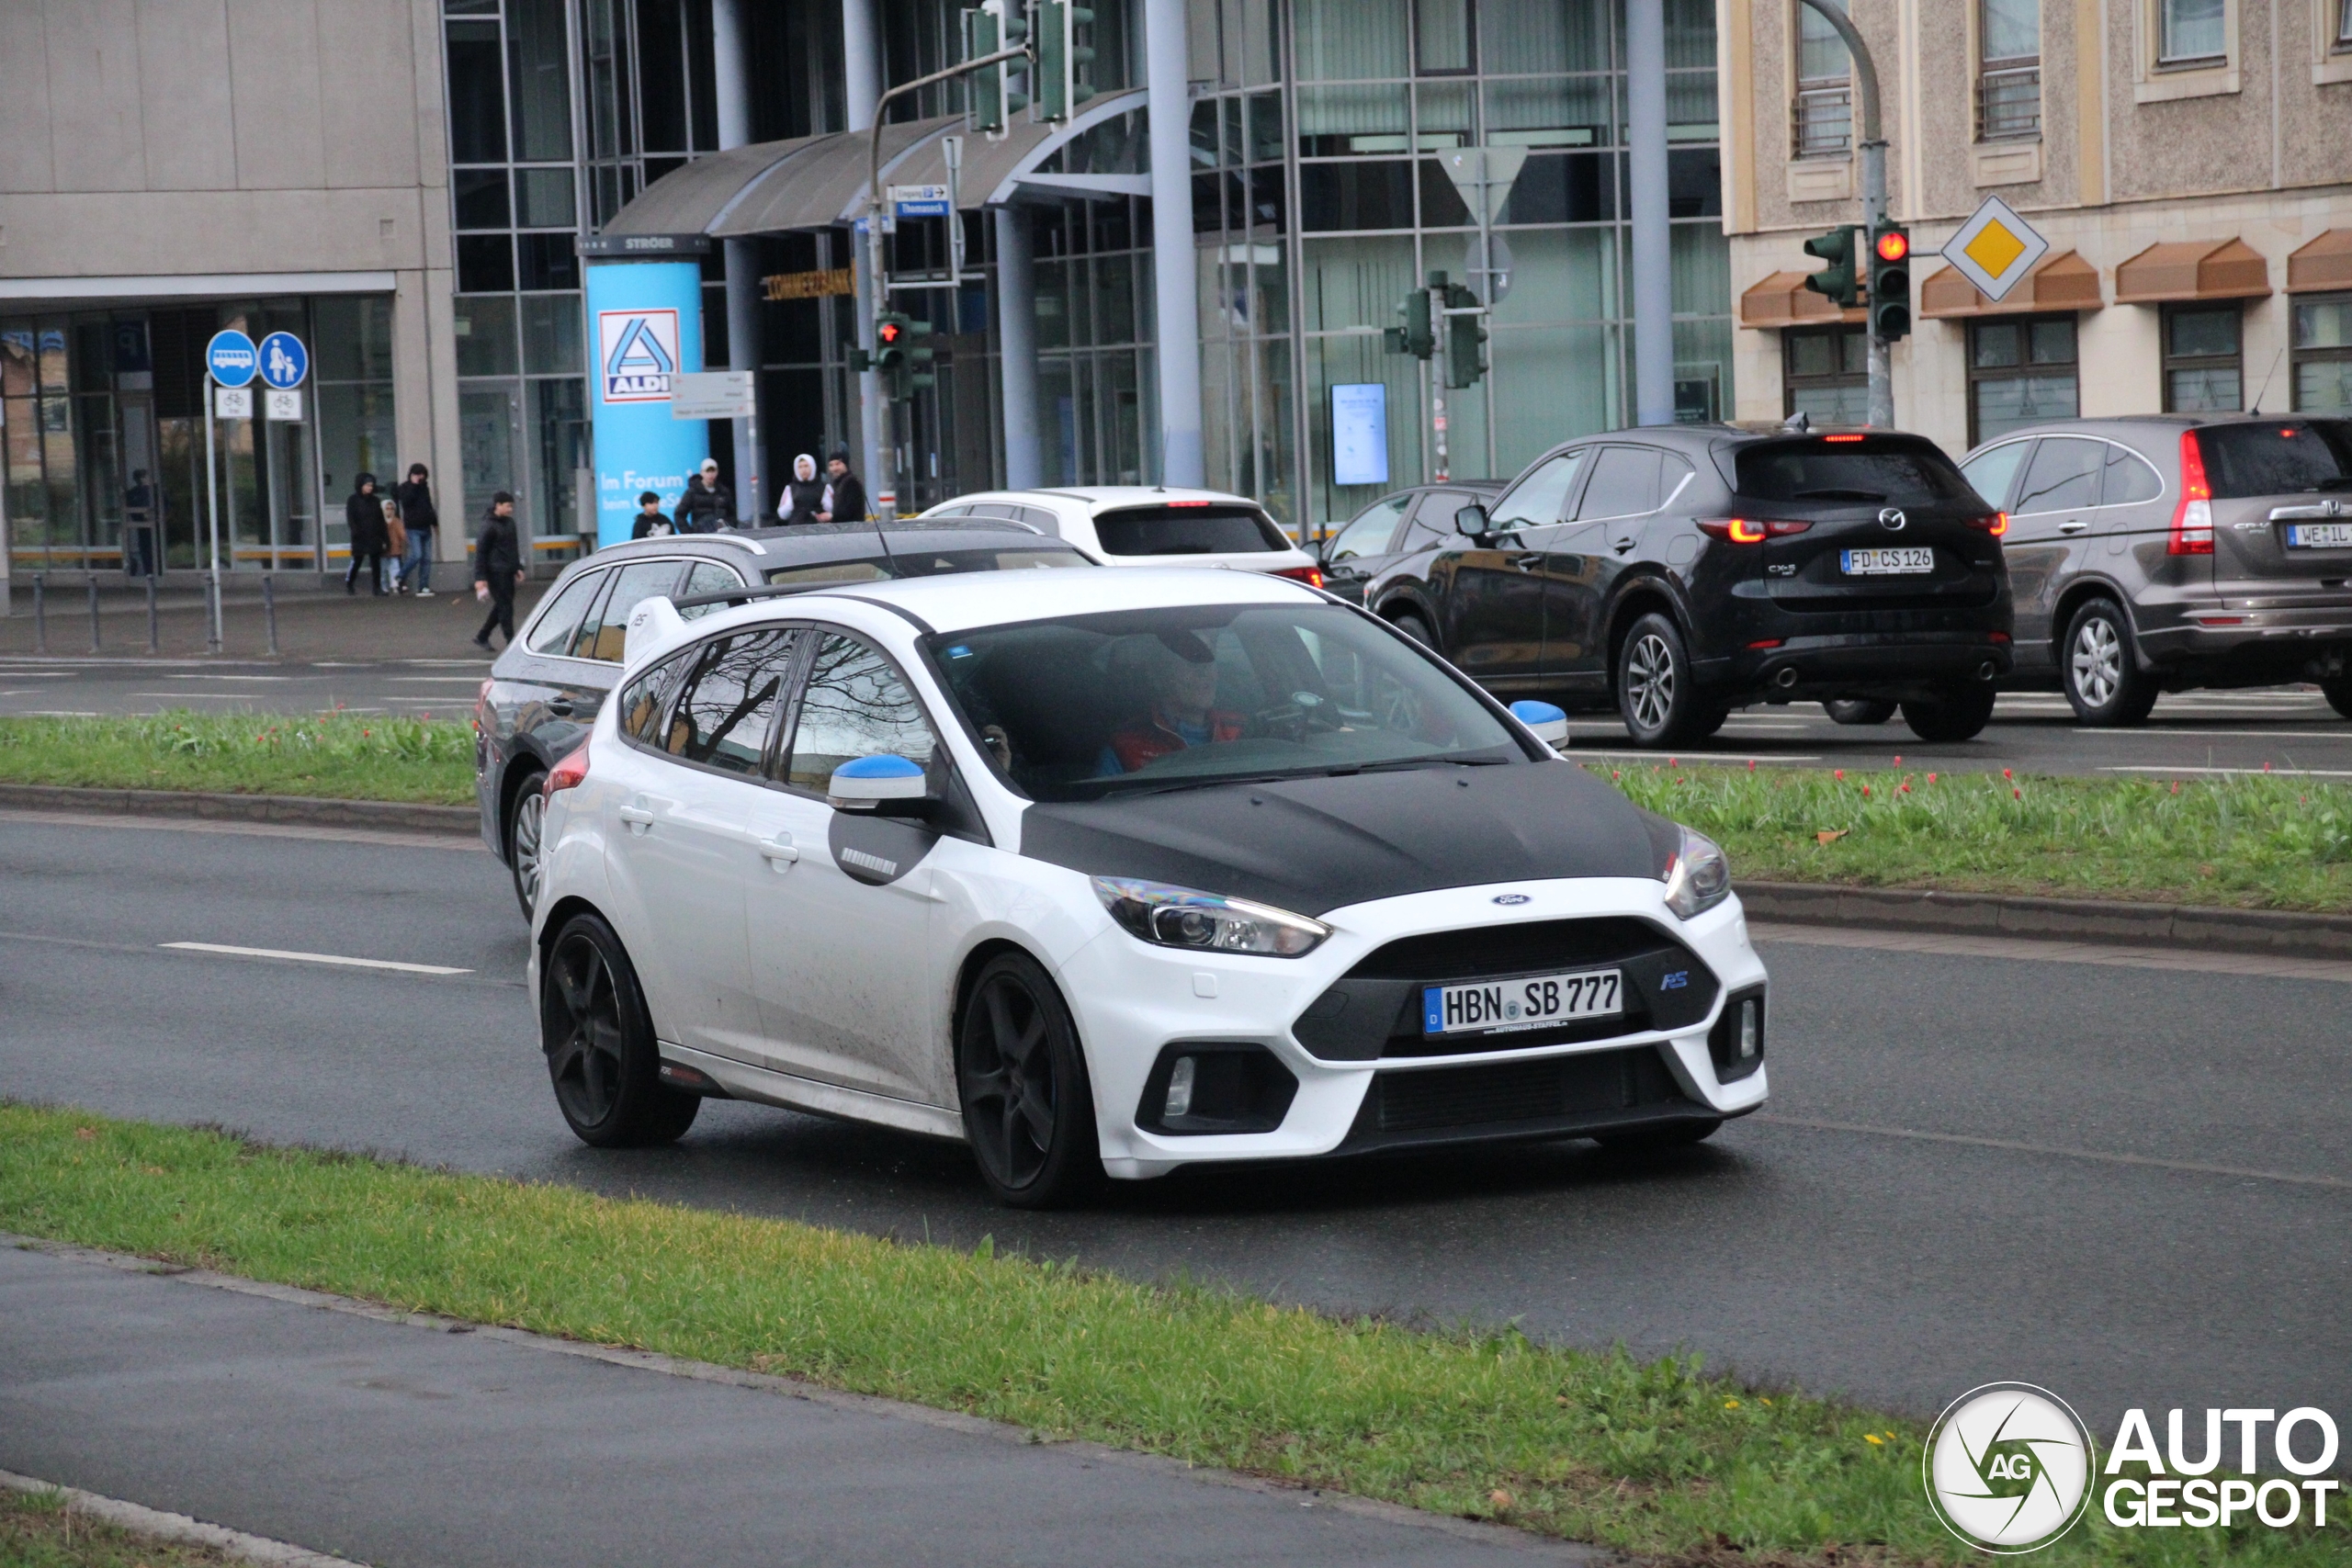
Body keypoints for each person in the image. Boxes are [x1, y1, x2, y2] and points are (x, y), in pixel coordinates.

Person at [1098, 637, 1242, 775]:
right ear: (1159, 675)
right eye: (1191, 663)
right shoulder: (1125, 747)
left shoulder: (1245, 729)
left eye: (1209, 662)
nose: (1203, 672)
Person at [471, 491, 526, 649]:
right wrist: (480, 578)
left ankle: (483, 635)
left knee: (503, 605)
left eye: (511, 506)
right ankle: (511, 643)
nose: (510, 510)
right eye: (508, 506)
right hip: (495, 572)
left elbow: (513, 547)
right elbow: (480, 553)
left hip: (508, 570)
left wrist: (517, 567)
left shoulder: (509, 523)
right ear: (498, 505)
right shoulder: (488, 526)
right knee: (505, 607)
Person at [394, 463, 438, 597]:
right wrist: (414, 485)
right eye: (418, 474)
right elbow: (406, 502)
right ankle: (400, 576)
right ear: (411, 475)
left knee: (427, 558)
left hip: (426, 527)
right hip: (413, 528)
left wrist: (435, 523)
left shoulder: (424, 488)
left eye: (422, 475)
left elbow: (429, 506)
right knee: (416, 555)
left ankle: (423, 586)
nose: (420, 477)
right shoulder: (404, 487)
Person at [344, 473, 388, 595]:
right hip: (360, 536)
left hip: (374, 534)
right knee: (357, 561)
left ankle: (377, 587)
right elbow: (350, 517)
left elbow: (380, 519)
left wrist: (384, 537)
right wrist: (355, 530)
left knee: (375, 563)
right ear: (361, 485)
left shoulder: (375, 500)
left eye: (371, 485)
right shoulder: (353, 500)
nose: (370, 488)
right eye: (367, 485)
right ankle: (350, 583)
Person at [673, 458, 732, 534]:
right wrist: (690, 534)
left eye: (713, 471)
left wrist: (729, 528)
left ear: (717, 472)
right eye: (707, 471)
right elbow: (679, 515)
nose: (710, 474)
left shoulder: (723, 492)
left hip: (722, 535)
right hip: (702, 536)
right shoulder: (692, 492)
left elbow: (732, 514)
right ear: (702, 473)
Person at [816, 448, 866, 524]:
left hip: (852, 529)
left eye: (838, 464)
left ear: (845, 464)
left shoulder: (851, 483)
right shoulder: (838, 484)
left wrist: (831, 516)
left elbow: (850, 510)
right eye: (831, 465)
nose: (834, 468)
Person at [123, 469, 156, 578]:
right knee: (148, 551)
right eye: (145, 477)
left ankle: (150, 573)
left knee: (147, 551)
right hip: (145, 527)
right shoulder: (150, 491)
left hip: (147, 527)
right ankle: (151, 573)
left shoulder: (134, 493)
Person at [776, 454, 824, 526]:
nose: (803, 470)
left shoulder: (824, 487)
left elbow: (832, 510)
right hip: (796, 529)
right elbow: (782, 514)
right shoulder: (790, 488)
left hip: (819, 529)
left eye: (806, 466)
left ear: (813, 466)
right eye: (800, 467)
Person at [382, 496, 408, 592]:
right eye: (387, 509)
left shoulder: (396, 521)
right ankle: (383, 586)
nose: (390, 511)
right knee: (383, 569)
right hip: (383, 549)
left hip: (394, 548)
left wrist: (405, 538)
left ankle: (395, 585)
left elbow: (402, 532)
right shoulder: (379, 521)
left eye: (392, 509)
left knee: (395, 568)